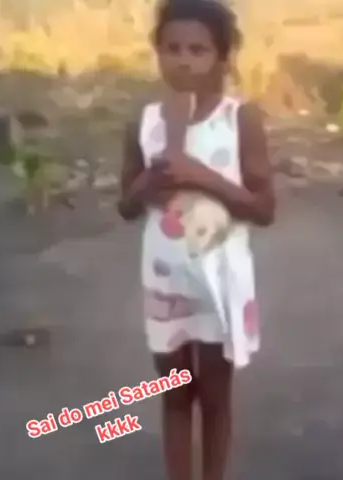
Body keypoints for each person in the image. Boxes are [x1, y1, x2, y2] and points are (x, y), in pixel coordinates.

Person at [117, 1, 275, 480]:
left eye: (198, 50)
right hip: (166, 282)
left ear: (222, 58)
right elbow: (127, 207)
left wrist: (201, 175)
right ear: (158, 53)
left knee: (214, 395)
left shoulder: (239, 119)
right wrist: (149, 182)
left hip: (218, 283)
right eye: (172, 49)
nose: (183, 61)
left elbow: (263, 209)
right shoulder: (143, 123)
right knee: (175, 393)